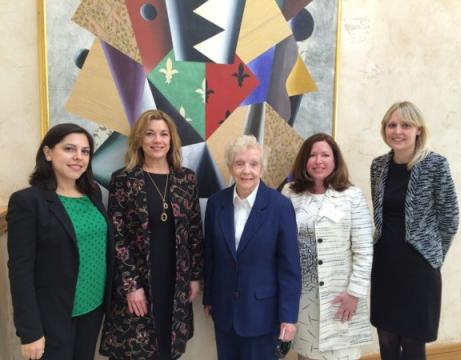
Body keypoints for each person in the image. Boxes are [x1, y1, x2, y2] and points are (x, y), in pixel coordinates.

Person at [100, 109, 203, 360]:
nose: (158, 140)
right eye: (150, 134)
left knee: (168, 346)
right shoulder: (124, 180)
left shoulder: (186, 179)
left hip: (175, 279)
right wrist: (131, 286)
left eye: (163, 134)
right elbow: (118, 238)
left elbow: (194, 231)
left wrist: (195, 277)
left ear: (171, 140)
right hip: (139, 280)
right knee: (137, 349)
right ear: (139, 140)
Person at [6, 123, 113, 360]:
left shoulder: (93, 193)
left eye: (85, 151)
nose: (78, 157)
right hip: (52, 316)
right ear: (47, 153)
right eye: (69, 149)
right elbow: (20, 270)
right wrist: (30, 331)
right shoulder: (27, 201)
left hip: (93, 309)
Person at [370, 101, 459, 360]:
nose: (398, 131)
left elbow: (449, 217)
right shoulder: (378, 166)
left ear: (418, 129)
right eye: (392, 125)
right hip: (385, 265)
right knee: (386, 339)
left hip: (418, 270)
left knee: (412, 343)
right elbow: (380, 216)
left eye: (406, 125)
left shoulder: (435, 164)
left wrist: (433, 255)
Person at [203, 134, 301, 360]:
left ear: (262, 168)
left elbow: (289, 267)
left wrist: (288, 316)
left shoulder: (280, 206)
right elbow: (210, 255)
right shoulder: (217, 204)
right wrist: (209, 297)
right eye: (239, 163)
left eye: (253, 164)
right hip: (224, 309)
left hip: (263, 314)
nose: (247, 170)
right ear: (230, 167)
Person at [282, 133, 373, 360]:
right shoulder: (290, 194)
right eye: (312, 155)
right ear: (304, 160)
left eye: (325, 155)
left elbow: (364, 249)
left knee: (340, 355)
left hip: (341, 296)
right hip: (304, 298)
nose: (318, 160)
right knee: (306, 354)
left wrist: (354, 293)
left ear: (335, 160)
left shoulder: (352, 196)